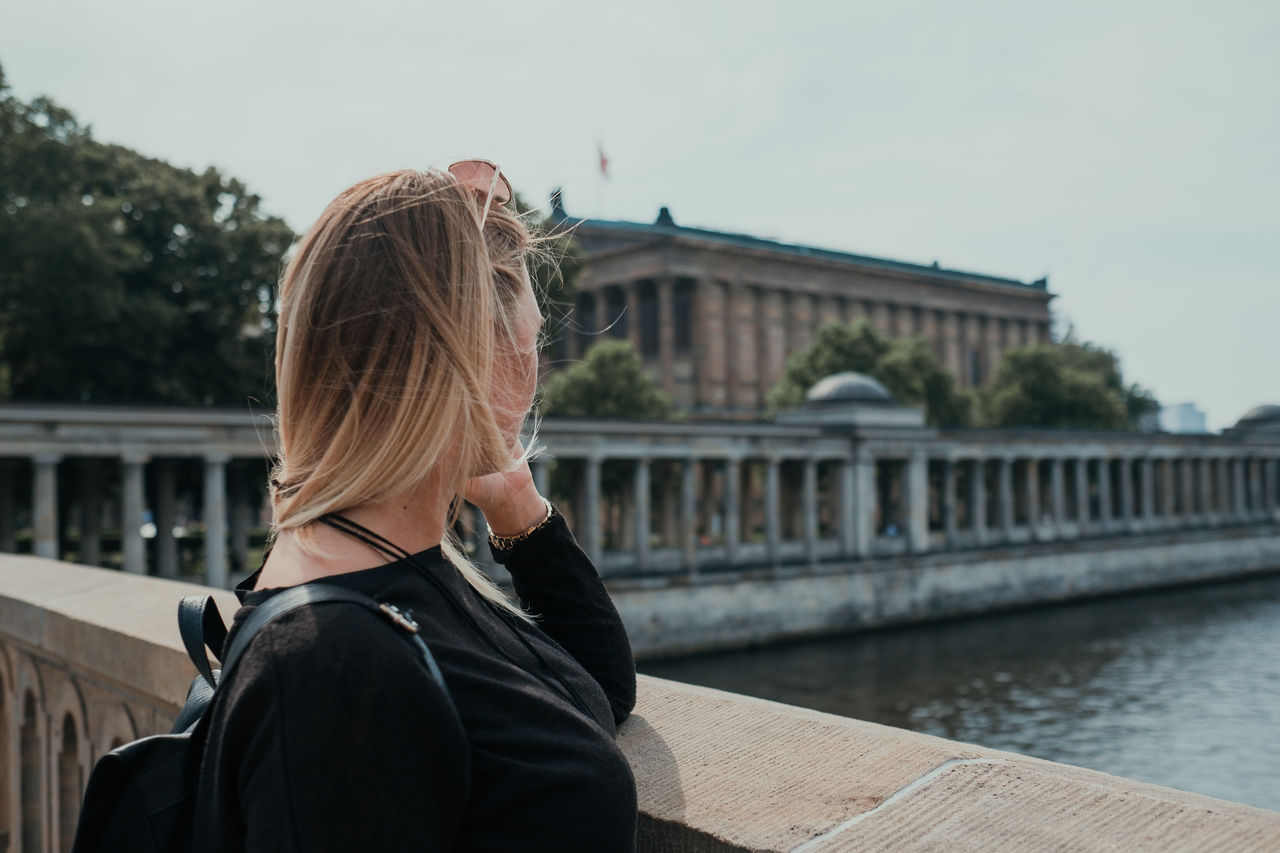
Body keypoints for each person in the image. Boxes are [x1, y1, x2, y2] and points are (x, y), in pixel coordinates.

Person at [192, 163, 639, 851]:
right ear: (471, 349)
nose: (538, 353)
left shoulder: (386, 566)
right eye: (534, 330)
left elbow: (592, 694)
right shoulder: (336, 671)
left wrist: (515, 502)